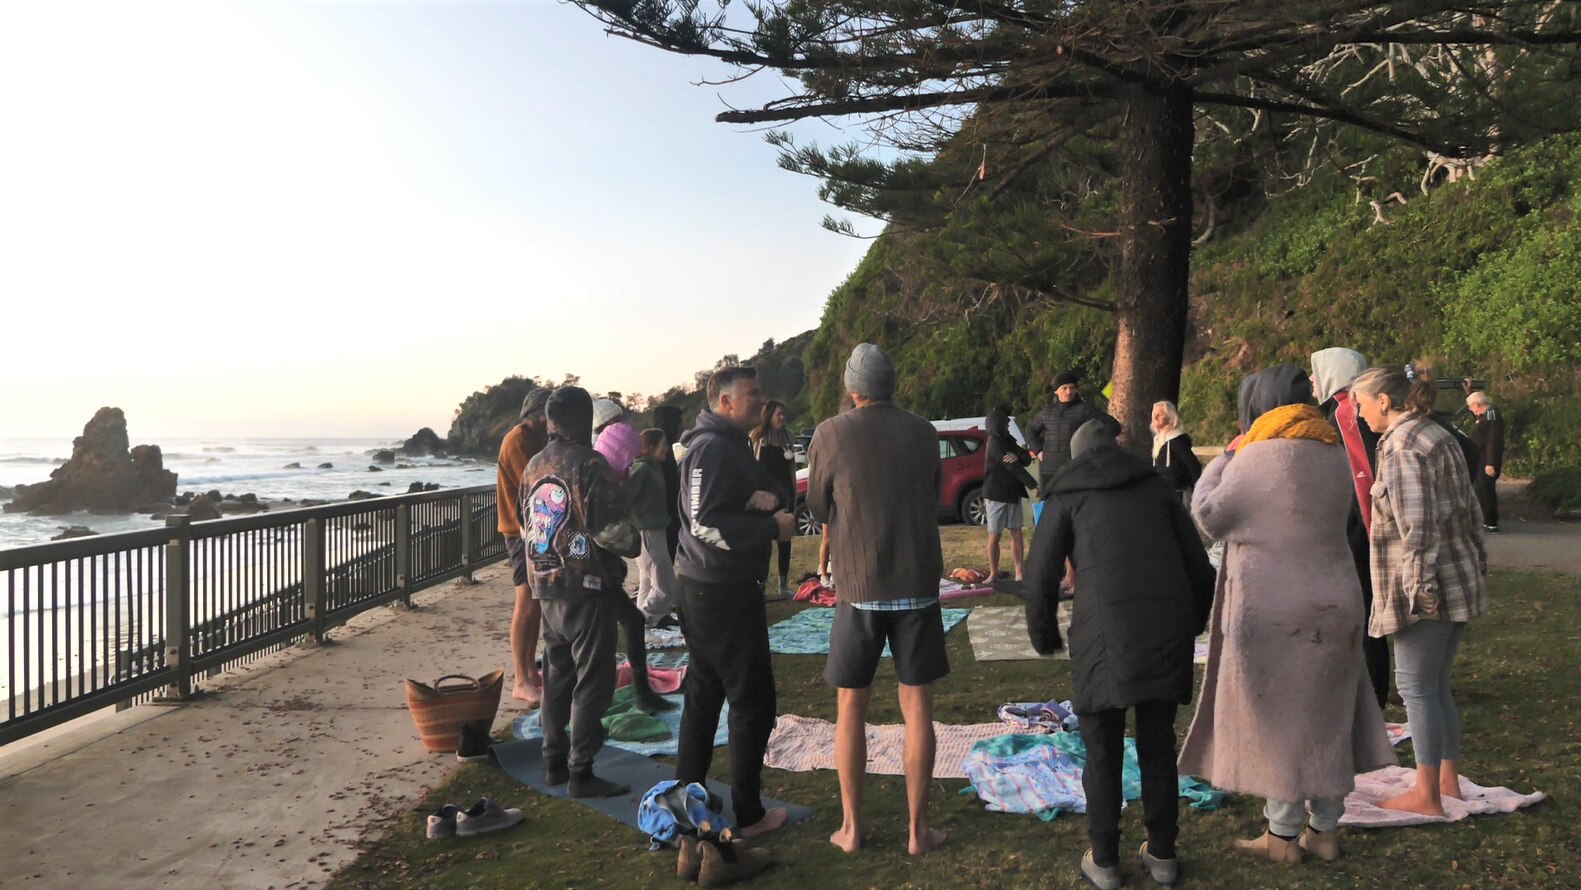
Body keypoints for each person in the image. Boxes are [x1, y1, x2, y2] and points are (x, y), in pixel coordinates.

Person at [1179, 365, 1395, 865]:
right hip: (1336, 601)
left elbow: (1209, 515)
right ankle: (1323, 832)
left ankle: (1281, 838)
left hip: (1273, 606)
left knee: (1280, 720)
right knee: (1327, 718)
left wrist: (1225, 457)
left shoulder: (1254, 456)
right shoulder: (1333, 453)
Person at [1024, 420, 1215, 889]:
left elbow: (1040, 574)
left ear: (1074, 456)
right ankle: (1164, 853)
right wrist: (1189, 626)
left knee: (1102, 750)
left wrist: (1044, 633)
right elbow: (1201, 569)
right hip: (1163, 631)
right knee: (1157, 744)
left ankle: (1106, 859)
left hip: (1101, 636)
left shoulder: (1068, 494)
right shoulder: (1156, 490)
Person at [807, 343, 951, 857]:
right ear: (893, 385)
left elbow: (817, 503)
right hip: (916, 583)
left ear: (852, 388)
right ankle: (917, 832)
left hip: (859, 587)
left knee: (851, 707)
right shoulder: (924, 432)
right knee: (918, 708)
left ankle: (851, 828)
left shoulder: (829, 433)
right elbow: (932, 496)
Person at [1352, 366, 1489, 817]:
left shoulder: (1405, 445)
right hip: (1456, 581)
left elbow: (1419, 529)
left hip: (1429, 590)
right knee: (1434, 686)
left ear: (1385, 402)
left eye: (1362, 403)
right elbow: (1467, 512)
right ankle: (1446, 782)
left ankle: (1427, 793)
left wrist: (1419, 593)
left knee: (1416, 689)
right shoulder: (1436, 433)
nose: (1359, 412)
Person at [674, 366, 797, 838]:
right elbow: (704, 522)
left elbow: (738, 501)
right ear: (724, 402)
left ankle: (690, 797)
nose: (761, 401)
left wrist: (758, 501)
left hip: (712, 587)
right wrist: (768, 527)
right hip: (717, 590)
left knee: (705, 695)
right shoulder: (710, 448)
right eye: (752, 393)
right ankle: (748, 814)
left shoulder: (728, 446)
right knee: (752, 701)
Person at [521, 386, 640, 798]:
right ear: (585, 420)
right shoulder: (591, 463)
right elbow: (610, 531)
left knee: (556, 675)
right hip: (586, 585)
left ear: (551, 422)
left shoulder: (533, 465)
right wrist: (634, 542)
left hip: (545, 582)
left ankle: (552, 761)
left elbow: (530, 526)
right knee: (593, 678)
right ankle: (581, 770)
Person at [1311, 347, 1391, 711]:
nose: (1312, 380)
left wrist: (1359, 533)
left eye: (1315, 372)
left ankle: (1372, 698)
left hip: (1359, 534)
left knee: (1367, 617)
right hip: (1358, 530)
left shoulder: (1347, 412)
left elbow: (1362, 473)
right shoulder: (1348, 409)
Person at [592, 402, 673, 714]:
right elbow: (621, 511)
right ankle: (626, 691)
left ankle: (640, 690)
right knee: (661, 591)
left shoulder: (610, 468)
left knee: (633, 613)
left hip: (606, 561)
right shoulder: (617, 472)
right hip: (603, 559)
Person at [497, 386, 551, 704]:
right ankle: (521, 678)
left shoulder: (535, 438)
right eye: (547, 414)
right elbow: (537, 483)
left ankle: (531, 671)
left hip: (534, 530)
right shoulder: (518, 440)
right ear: (536, 416)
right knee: (526, 603)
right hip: (519, 533)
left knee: (536, 603)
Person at [1025, 371, 1120, 490]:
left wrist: (1096, 447)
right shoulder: (1047, 412)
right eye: (1064, 388)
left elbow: (1113, 425)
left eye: (1072, 387)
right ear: (1056, 391)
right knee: (1052, 506)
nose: (1069, 391)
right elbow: (1030, 430)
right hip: (1050, 470)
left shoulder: (1085, 410)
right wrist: (1038, 451)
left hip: (1076, 467)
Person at [628, 428, 680, 623]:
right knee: (665, 584)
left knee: (648, 582)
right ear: (650, 447)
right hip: (647, 531)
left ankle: (646, 621)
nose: (667, 448)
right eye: (663, 444)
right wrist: (636, 521)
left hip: (655, 529)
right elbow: (627, 497)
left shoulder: (652, 467)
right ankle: (643, 619)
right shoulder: (641, 469)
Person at [983, 407, 1037, 581]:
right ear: (997, 426)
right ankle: (993, 573)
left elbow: (1026, 459)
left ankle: (1019, 573)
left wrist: (1017, 455)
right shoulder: (994, 444)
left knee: (1016, 532)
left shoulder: (1009, 440)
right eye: (1005, 426)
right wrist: (1033, 484)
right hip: (996, 494)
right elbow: (1012, 467)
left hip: (1012, 493)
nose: (1007, 429)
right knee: (995, 534)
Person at [751, 400, 798, 597]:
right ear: (768, 416)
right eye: (778, 414)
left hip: (785, 492)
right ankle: (760, 584)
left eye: (783, 414)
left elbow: (792, 467)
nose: (782, 418)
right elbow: (752, 465)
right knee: (763, 543)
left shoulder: (788, 437)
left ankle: (783, 584)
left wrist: (794, 494)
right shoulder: (758, 436)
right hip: (765, 496)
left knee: (785, 539)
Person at [1465, 389, 1504, 532]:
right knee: (1480, 490)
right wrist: (1468, 391)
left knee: (1486, 491)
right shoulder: (1484, 416)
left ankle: (1491, 522)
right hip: (1481, 459)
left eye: (1471, 407)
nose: (1470, 410)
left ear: (1477, 404)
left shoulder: (1491, 417)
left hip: (1486, 461)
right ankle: (1485, 520)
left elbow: (1493, 442)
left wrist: (1491, 463)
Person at [1149, 400, 1201, 506]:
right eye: (1154, 414)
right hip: (1164, 492)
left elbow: (1193, 465)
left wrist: (1199, 490)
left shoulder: (1176, 440)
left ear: (1170, 417)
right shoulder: (1158, 440)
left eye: (1161, 414)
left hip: (1180, 493)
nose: (1155, 417)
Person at [651, 405, 686, 559]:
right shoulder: (661, 457)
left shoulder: (663, 452)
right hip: (663, 525)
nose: (683, 428)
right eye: (680, 423)